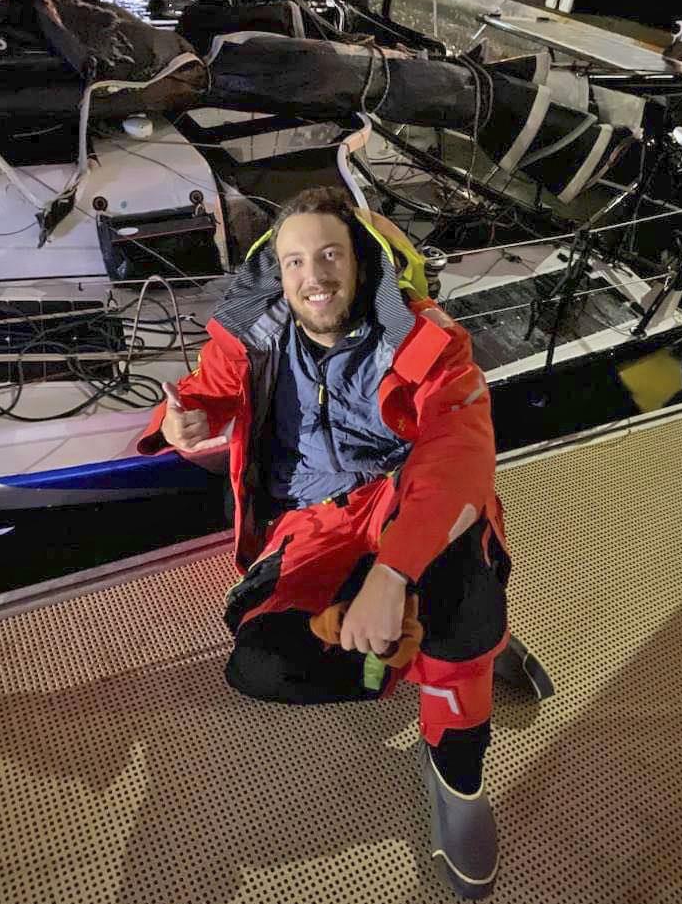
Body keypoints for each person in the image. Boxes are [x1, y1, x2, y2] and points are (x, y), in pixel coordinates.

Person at [138, 186, 511, 899]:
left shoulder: (429, 343)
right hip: (312, 527)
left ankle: (459, 768)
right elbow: (206, 390)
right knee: (259, 667)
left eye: (331, 254)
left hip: (404, 504)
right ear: (278, 276)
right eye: (295, 261)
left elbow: (459, 453)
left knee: (456, 563)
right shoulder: (256, 334)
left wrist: (393, 574)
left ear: (363, 264)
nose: (315, 276)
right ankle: (444, 648)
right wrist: (177, 422)